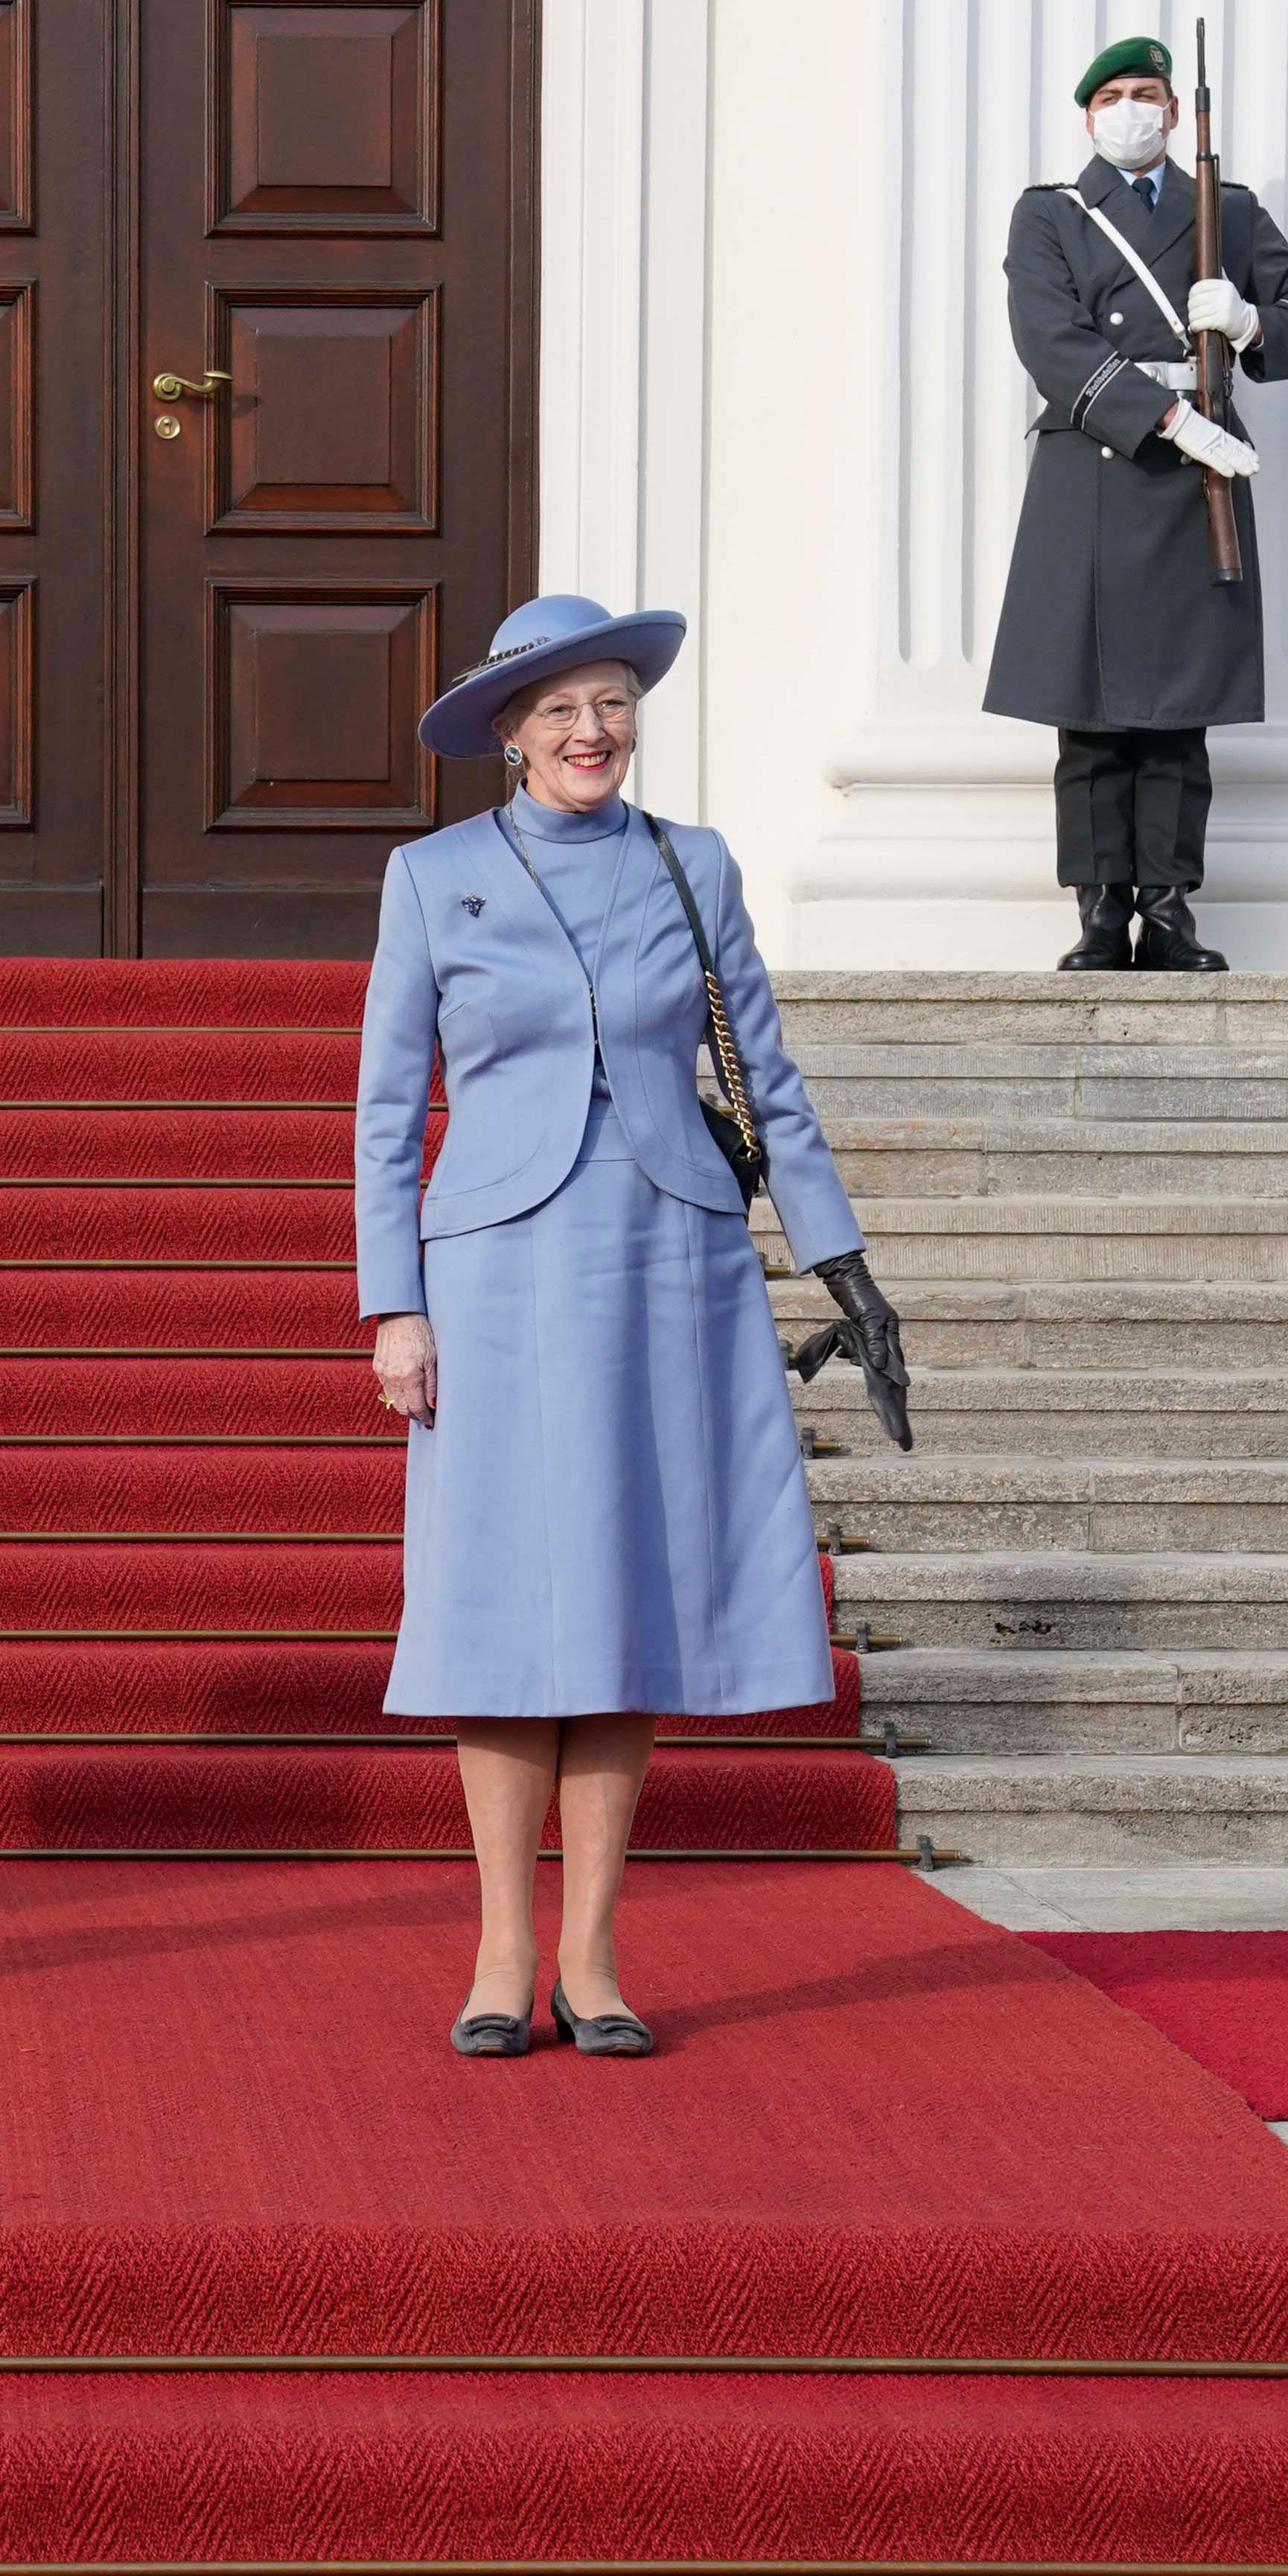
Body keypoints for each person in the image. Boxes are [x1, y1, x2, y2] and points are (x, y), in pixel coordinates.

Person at [359, 593, 906, 2062]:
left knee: (628, 1601)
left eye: (610, 703)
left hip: (672, 1253)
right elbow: (385, 1109)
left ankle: (593, 1956)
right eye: (560, 710)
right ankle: (498, 1950)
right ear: (508, 732)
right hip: (490, 1267)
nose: (592, 731)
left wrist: (841, 1259)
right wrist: (392, 1302)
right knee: (498, 1605)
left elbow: (766, 1077)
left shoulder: (694, 864)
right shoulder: (434, 878)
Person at [982, 34, 1288, 975]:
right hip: (1100, 469)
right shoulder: (1052, 217)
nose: (1131, 110)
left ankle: (1171, 910)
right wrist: (1168, 420)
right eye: (1112, 97)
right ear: (1087, 116)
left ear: (1177, 113)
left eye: (1147, 93)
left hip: (1200, 482)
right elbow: (1049, 340)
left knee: (1177, 718)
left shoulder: (1223, 212)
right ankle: (1102, 915)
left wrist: (1252, 319)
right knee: (1093, 714)